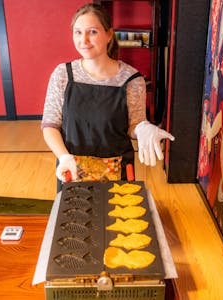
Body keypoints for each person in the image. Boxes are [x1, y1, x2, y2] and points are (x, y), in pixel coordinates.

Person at [41, 3, 174, 183]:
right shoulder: (62, 74)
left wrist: (142, 128)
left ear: (109, 34)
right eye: (78, 32)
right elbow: (50, 125)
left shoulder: (132, 79)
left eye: (93, 32)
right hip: (72, 169)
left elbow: (133, 125)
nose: (84, 40)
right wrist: (63, 157)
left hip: (118, 171)